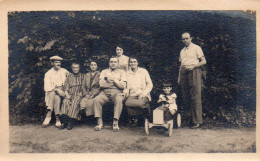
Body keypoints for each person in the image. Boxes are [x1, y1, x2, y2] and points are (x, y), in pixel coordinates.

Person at [178, 32, 206, 128]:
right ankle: (189, 119)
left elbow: (203, 61)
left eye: (186, 38)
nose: (185, 40)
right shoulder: (182, 51)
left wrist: (193, 66)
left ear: (191, 38)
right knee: (186, 97)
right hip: (183, 73)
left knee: (195, 96)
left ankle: (197, 121)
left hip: (194, 71)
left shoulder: (196, 48)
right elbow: (181, 65)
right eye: (183, 39)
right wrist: (179, 77)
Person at [93, 56, 127, 131]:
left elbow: (123, 86)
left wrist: (114, 80)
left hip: (117, 93)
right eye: (111, 62)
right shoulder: (104, 71)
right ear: (109, 63)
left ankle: (115, 122)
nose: (113, 64)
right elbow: (101, 84)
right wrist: (116, 83)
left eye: (115, 62)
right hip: (105, 93)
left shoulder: (122, 72)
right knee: (96, 99)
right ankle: (99, 123)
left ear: (118, 63)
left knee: (119, 99)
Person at [124, 56, 153, 126]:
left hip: (142, 93)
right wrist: (125, 92)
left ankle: (147, 117)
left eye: (134, 62)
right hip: (132, 94)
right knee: (127, 103)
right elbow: (126, 86)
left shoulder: (143, 71)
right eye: (131, 62)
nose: (133, 63)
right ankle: (135, 118)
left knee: (140, 103)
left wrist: (144, 93)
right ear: (129, 63)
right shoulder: (127, 73)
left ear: (137, 63)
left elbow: (150, 84)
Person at [43, 55, 69, 128]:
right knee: (56, 97)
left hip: (63, 91)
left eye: (59, 62)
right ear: (52, 63)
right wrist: (57, 90)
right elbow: (47, 87)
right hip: (53, 91)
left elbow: (71, 78)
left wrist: (64, 89)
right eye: (56, 62)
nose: (58, 64)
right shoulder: (48, 73)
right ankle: (57, 119)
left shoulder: (64, 71)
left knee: (53, 94)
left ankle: (48, 114)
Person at [60, 62, 85, 130]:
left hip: (78, 94)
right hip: (70, 93)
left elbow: (84, 87)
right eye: (74, 68)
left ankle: (71, 122)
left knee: (75, 102)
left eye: (77, 67)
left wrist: (81, 94)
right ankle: (64, 122)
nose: (75, 69)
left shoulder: (83, 76)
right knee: (65, 102)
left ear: (79, 68)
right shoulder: (69, 76)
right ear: (72, 68)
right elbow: (66, 88)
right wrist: (67, 95)